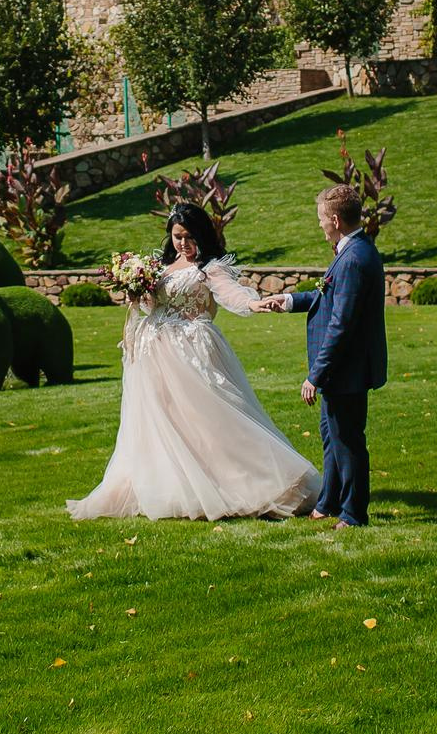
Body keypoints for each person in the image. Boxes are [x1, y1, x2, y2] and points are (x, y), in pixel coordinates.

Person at [66, 202, 319, 521]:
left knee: (208, 418)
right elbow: (150, 304)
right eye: (176, 236)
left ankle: (252, 482)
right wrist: (136, 290)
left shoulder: (208, 268)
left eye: (188, 236)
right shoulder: (160, 265)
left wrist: (253, 305)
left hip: (190, 350)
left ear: (201, 235)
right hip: (152, 352)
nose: (182, 243)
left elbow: (230, 294)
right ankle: (172, 485)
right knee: (161, 421)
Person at [256, 185, 387, 528]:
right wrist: (287, 301)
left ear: (334, 219)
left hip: (347, 370)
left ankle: (355, 513)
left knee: (348, 443)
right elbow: (326, 296)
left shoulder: (355, 259)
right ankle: (329, 502)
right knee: (333, 438)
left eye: (320, 220)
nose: (319, 226)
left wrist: (316, 374)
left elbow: (341, 324)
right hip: (344, 370)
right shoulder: (352, 250)